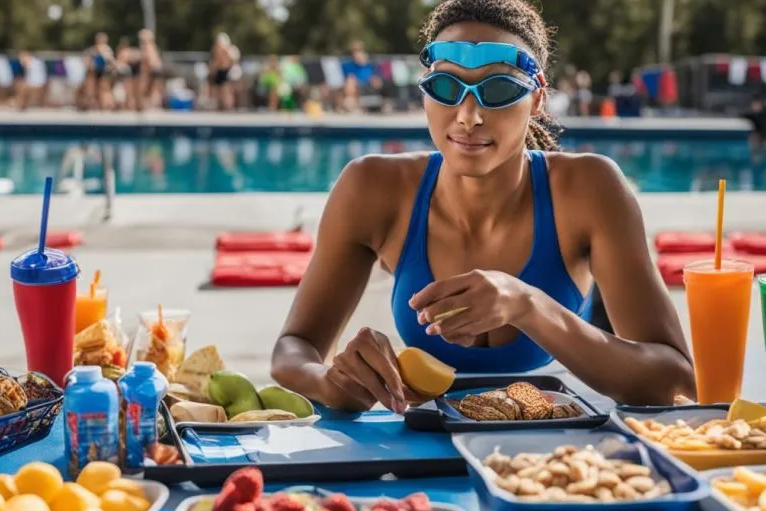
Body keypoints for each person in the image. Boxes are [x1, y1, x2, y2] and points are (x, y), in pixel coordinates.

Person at [270, 0, 695, 413]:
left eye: (497, 90)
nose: (468, 115)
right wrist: (330, 382)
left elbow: (675, 381)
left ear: (537, 99)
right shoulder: (372, 188)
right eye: (446, 87)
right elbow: (293, 350)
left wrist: (526, 304)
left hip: (555, 449)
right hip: (420, 449)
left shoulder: (590, 189)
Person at [209, 32, 236, 111]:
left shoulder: (228, 49)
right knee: (218, 90)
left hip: (226, 71)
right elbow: (215, 61)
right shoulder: (216, 48)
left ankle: (228, 107)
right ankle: (220, 106)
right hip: (219, 71)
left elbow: (232, 60)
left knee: (226, 90)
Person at [138, 29, 163, 111]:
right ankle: (153, 105)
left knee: (147, 89)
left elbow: (148, 60)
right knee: (154, 88)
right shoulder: (153, 46)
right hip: (156, 68)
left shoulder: (147, 46)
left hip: (151, 69)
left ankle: (148, 106)